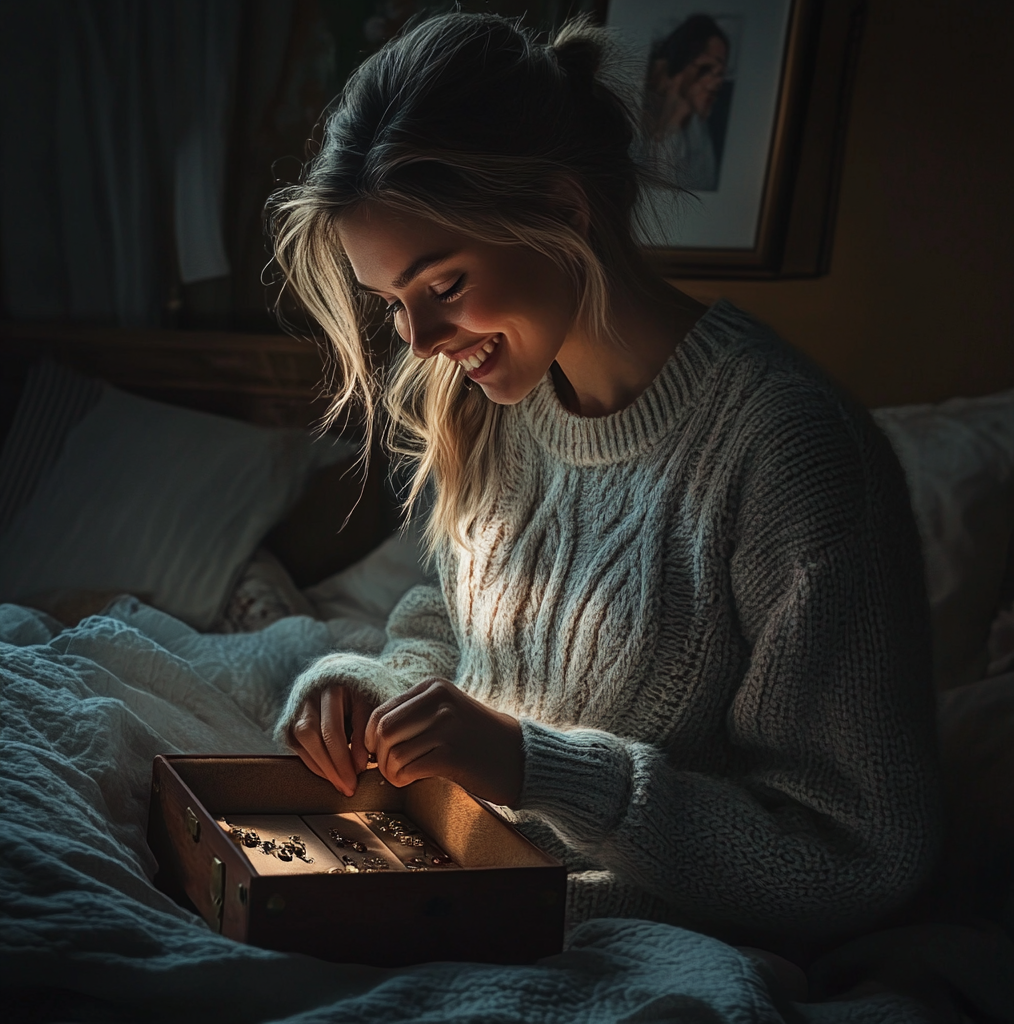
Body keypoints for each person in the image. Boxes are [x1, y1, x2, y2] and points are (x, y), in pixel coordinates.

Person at [267, 12, 941, 951]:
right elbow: (457, 629)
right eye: (393, 303)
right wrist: (377, 691)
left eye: (445, 284)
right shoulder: (491, 404)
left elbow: (854, 856)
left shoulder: (790, 452)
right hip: (448, 877)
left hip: (586, 933)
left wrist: (540, 770)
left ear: (561, 209)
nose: (416, 341)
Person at [644, 14, 730, 191]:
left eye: (720, 72)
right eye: (708, 68)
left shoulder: (700, 123)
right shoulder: (648, 115)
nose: (717, 82)